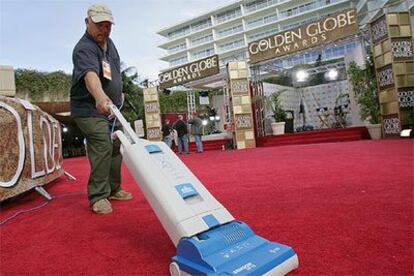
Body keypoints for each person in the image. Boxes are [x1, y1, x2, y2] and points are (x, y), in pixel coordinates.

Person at [70, 4, 132, 215]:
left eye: (107, 26)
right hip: (88, 109)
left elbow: (114, 70)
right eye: (99, 25)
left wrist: (119, 92)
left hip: (112, 108)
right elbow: (90, 75)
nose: (103, 30)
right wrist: (99, 97)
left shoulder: (110, 43)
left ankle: (114, 189)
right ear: (87, 22)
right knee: (102, 143)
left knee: (117, 145)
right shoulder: (84, 48)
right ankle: (98, 196)